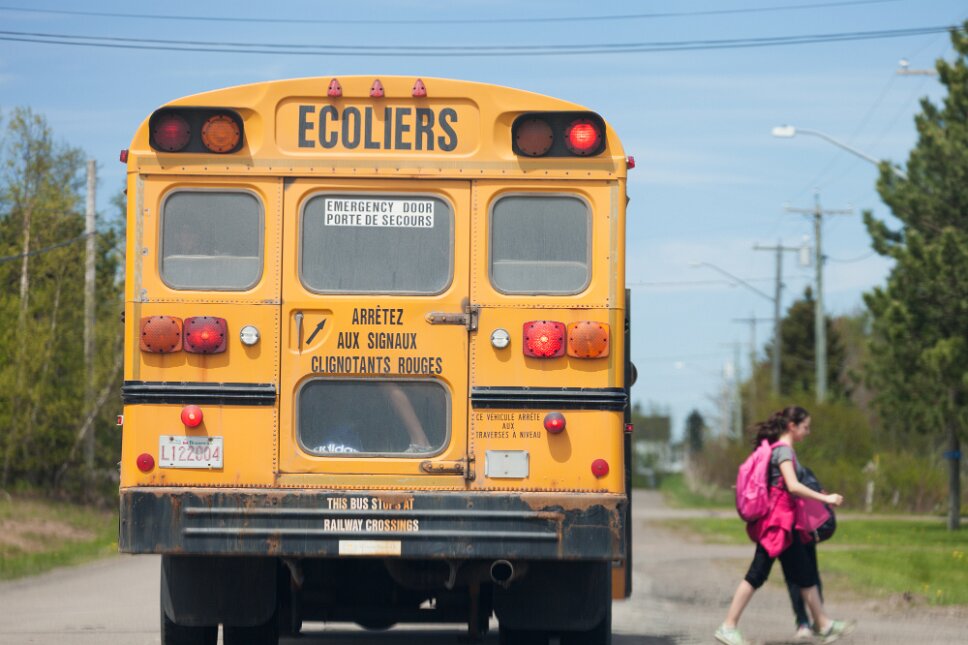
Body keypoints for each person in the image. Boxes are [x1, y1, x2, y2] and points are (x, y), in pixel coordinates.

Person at [714, 406, 854, 645]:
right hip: (777, 526)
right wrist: (826, 498)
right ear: (792, 426)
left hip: (785, 525)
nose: (808, 432)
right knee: (756, 575)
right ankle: (728, 626)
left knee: (805, 574)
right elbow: (793, 486)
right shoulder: (784, 451)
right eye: (805, 427)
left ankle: (824, 624)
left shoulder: (777, 450)